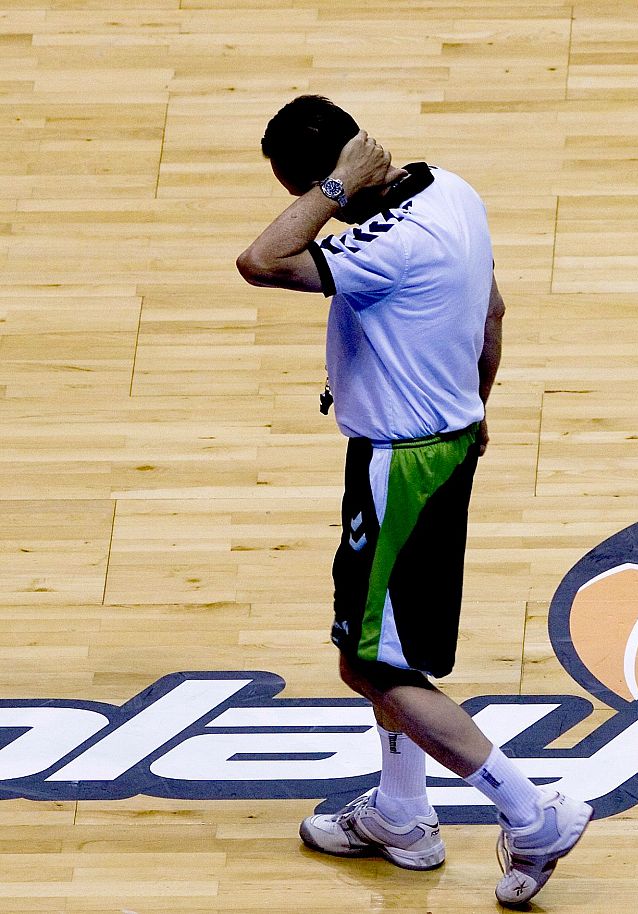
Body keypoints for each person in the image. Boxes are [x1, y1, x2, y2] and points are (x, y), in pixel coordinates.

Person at [235, 94, 588, 907]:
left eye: (307, 192)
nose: (309, 215)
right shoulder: (455, 191)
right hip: (453, 440)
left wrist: (326, 195)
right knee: (399, 649)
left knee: (367, 661)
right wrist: (480, 403)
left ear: (338, 177)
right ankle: (401, 811)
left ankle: (532, 815)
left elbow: (260, 260)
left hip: (400, 467)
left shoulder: (379, 246)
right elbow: (493, 313)